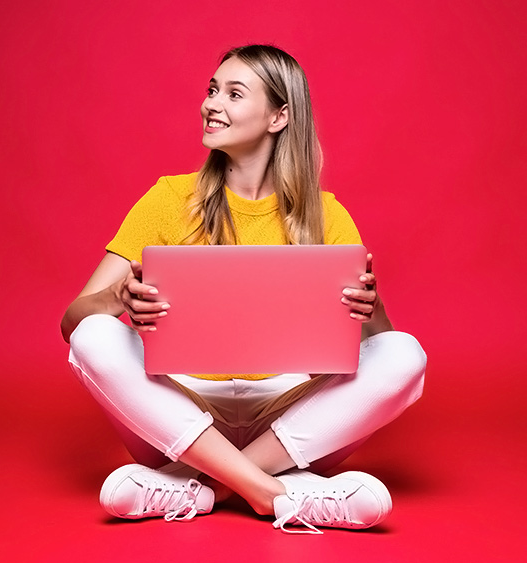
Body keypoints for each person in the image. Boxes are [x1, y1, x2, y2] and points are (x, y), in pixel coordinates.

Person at [61, 45, 426, 534]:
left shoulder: (326, 213)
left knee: (405, 354)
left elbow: (371, 352)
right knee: (94, 337)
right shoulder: (169, 198)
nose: (212, 104)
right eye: (212, 90)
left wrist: (372, 307)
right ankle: (275, 493)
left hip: (289, 413)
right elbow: (72, 322)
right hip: (180, 410)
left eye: (234, 93)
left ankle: (196, 486)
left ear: (280, 116)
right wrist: (118, 299)